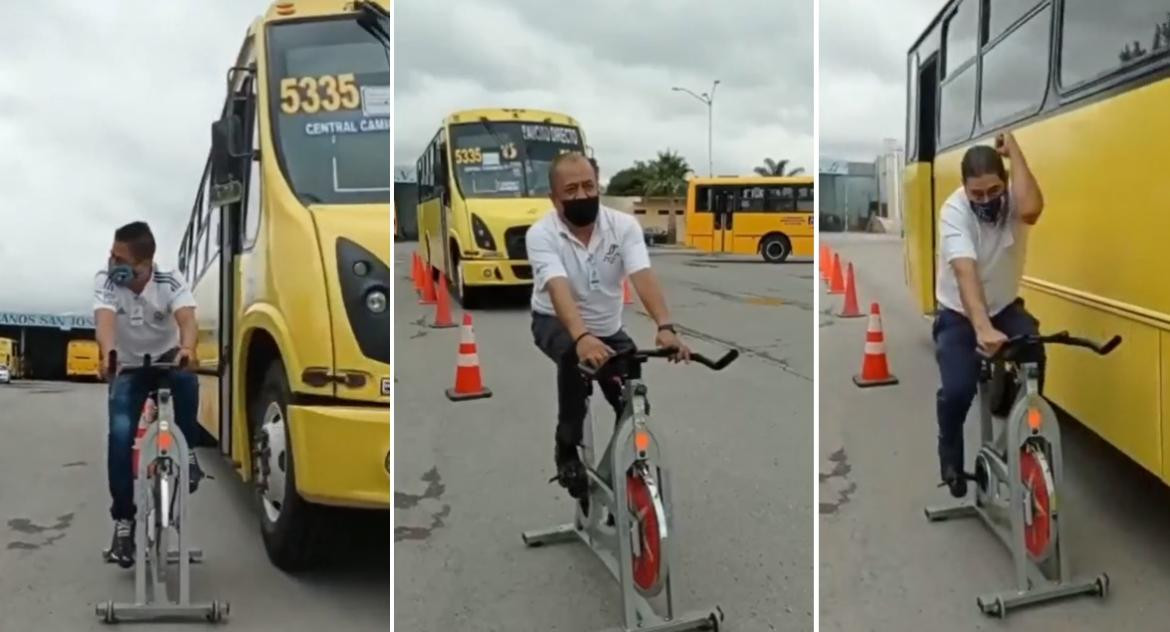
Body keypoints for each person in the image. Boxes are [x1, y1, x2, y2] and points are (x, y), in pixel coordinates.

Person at [525, 152, 691, 499]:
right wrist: (583, 337)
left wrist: (665, 326)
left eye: (588, 185)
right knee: (574, 357)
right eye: (571, 190)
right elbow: (558, 288)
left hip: (607, 327)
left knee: (633, 391)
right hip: (553, 321)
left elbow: (642, 276)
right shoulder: (541, 234)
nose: (582, 195)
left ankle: (621, 463)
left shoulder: (623, 227)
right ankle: (566, 450)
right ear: (554, 198)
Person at [933, 131, 1044, 498]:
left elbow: (1031, 210)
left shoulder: (1015, 198)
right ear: (964, 190)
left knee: (1035, 354)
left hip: (1005, 306)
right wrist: (981, 328)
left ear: (1006, 182)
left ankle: (1016, 438)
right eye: (976, 194)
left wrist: (1015, 152)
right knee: (958, 389)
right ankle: (949, 454)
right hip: (958, 314)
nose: (986, 200)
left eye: (994, 190)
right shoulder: (954, 212)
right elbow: (965, 274)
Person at [93, 221, 205, 567]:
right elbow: (105, 321)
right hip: (128, 367)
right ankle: (124, 521)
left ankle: (186, 456)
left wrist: (186, 349)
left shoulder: (169, 280)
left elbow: (187, 319)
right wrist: (109, 355)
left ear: (143, 265)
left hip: (166, 363)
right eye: (112, 254)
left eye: (119, 258)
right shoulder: (106, 280)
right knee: (121, 435)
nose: (111, 262)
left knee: (188, 384)